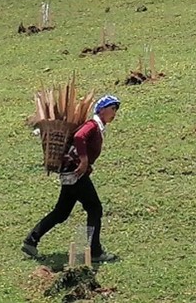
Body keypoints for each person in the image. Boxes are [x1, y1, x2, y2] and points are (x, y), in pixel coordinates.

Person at [22, 95, 121, 264]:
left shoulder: (97, 127)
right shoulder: (92, 125)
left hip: (70, 174)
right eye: (113, 109)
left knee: (61, 212)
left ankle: (31, 241)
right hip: (77, 173)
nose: (115, 113)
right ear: (102, 110)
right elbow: (79, 137)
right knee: (95, 208)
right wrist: (83, 160)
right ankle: (95, 251)